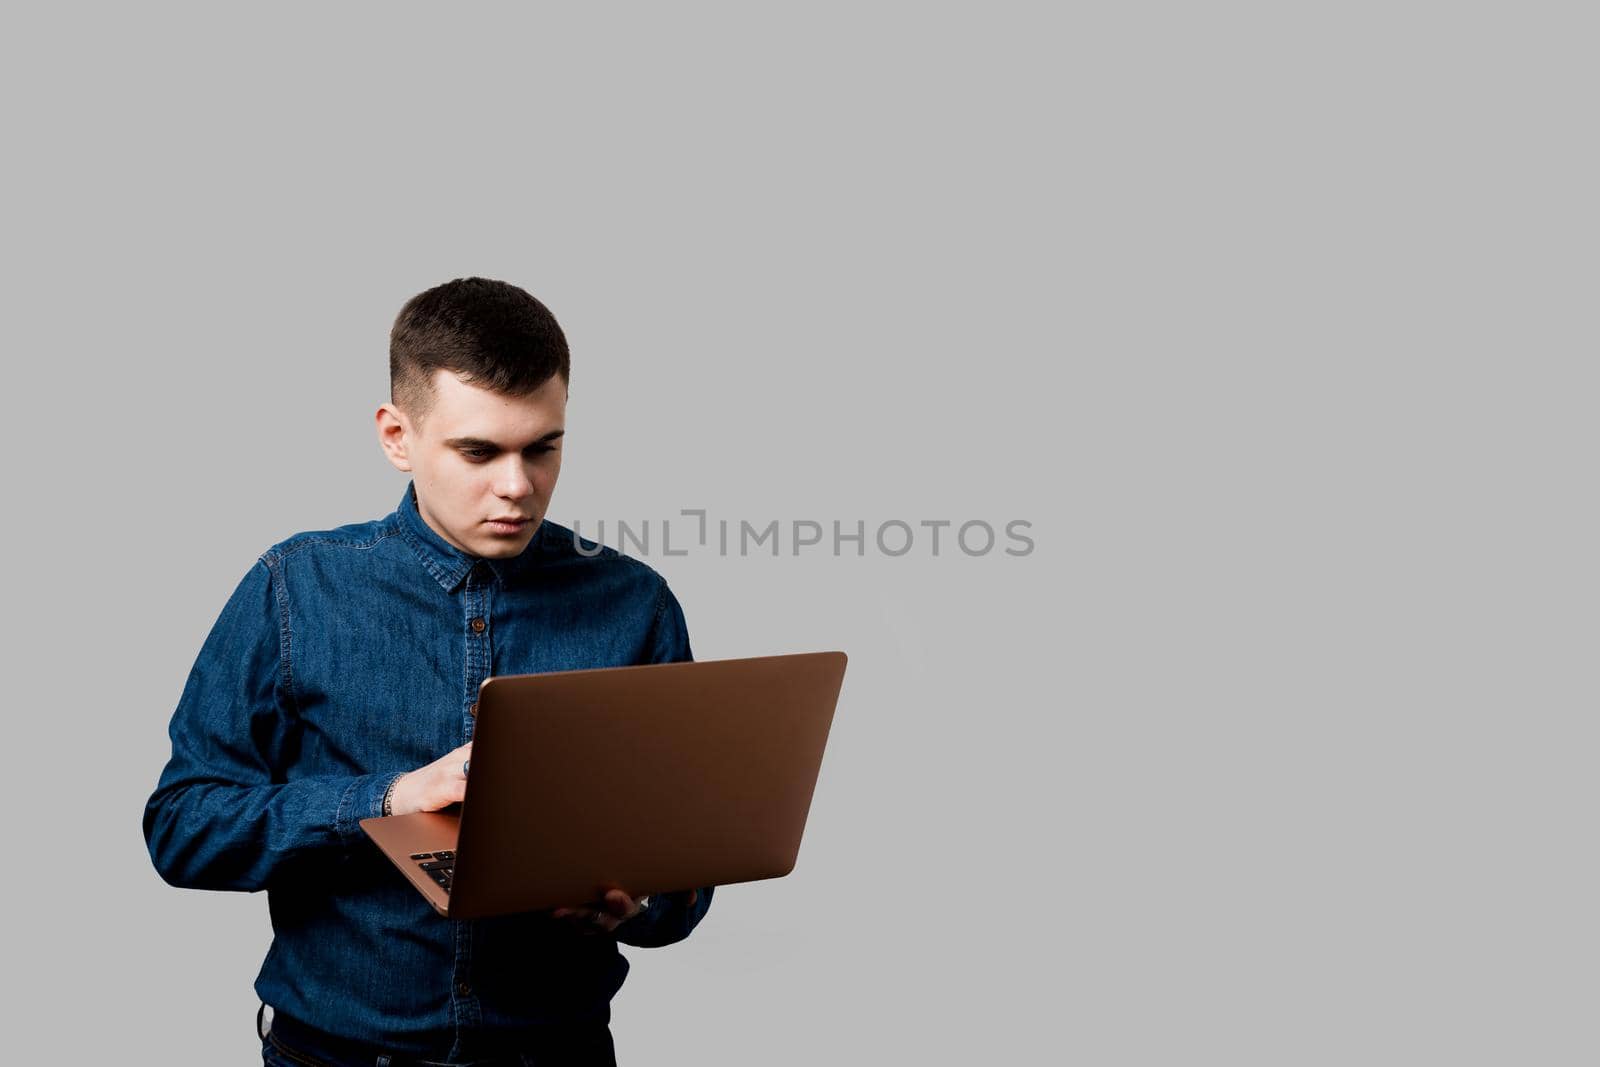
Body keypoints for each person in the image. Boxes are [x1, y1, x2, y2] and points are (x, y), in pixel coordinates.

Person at [143, 277, 713, 1066]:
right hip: (336, 1056)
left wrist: (638, 905)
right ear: (396, 435)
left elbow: (687, 877)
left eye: (543, 447)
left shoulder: (636, 605)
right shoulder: (292, 586)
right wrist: (387, 800)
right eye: (479, 451)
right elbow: (182, 828)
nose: (517, 485)